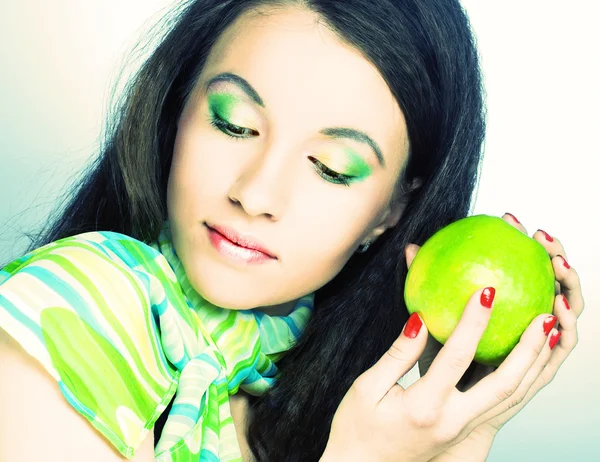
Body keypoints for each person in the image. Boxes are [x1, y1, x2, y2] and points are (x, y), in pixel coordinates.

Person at [0, 0, 584, 461]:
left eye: (332, 168)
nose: (255, 195)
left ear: (390, 214)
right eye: (235, 124)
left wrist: (460, 438)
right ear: (176, 105)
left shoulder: (306, 385)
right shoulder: (73, 309)